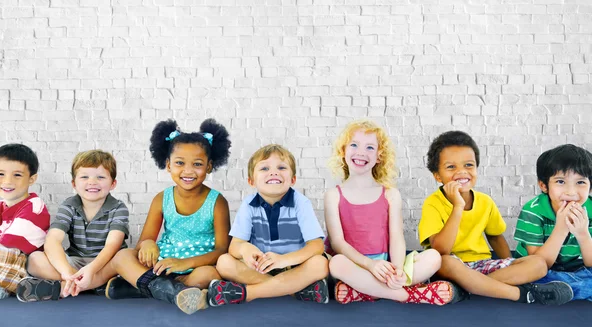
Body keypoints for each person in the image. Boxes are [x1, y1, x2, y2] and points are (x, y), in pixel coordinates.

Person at [419, 130, 573, 305]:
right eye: (451, 167)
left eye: (468, 165)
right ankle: (519, 294)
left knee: (538, 264)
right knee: (445, 261)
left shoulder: (485, 201)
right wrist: (458, 207)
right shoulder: (432, 203)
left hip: (481, 265)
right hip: (450, 267)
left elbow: (495, 237)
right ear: (437, 175)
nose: (462, 172)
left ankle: (471, 287)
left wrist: (511, 264)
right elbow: (441, 250)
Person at [325, 120, 461, 305]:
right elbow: (337, 243)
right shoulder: (334, 195)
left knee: (433, 257)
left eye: (370, 147)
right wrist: (370, 265)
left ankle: (365, 292)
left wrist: (397, 270)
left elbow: (396, 237)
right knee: (336, 263)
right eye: (354, 145)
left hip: (385, 265)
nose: (361, 152)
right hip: (354, 264)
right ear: (343, 151)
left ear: (379, 156)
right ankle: (409, 295)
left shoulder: (390, 194)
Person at [104, 119, 231, 315]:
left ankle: (144, 287)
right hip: (163, 264)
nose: (188, 171)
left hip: (197, 265)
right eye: (180, 163)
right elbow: (143, 242)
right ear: (168, 165)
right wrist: (148, 244)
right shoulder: (162, 198)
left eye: (197, 164)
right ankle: (173, 292)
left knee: (209, 275)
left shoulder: (217, 202)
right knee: (123, 256)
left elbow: (222, 249)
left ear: (209, 166)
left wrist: (185, 263)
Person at [208, 144, 329, 306]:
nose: (274, 172)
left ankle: (248, 293)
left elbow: (317, 246)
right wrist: (245, 249)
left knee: (320, 264)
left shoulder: (301, 203)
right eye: (264, 168)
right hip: (261, 268)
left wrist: (284, 260)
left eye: (281, 167)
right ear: (251, 181)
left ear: (293, 179)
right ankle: (296, 290)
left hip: (294, 265)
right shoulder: (248, 204)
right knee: (224, 262)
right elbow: (234, 246)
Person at [17, 150, 129, 302]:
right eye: (84, 177)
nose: (92, 182)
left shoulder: (118, 208)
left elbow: (112, 245)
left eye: (100, 177)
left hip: (105, 263)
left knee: (126, 258)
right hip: (76, 262)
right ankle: (89, 285)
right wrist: (67, 272)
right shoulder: (69, 205)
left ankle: (64, 288)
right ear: (74, 184)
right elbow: (52, 240)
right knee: (35, 259)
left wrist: (91, 269)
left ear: (113, 183)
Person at [514, 144, 592, 301]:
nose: (571, 192)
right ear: (544, 186)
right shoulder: (533, 211)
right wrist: (561, 229)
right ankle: (562, 289)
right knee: (529, 275)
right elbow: (539, 263)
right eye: (561, 182)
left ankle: (560, 289)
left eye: (580, 182)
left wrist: (583, 234)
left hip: (576, 268)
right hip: (539, 269)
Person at [0, 144, 50, 299]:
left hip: (19, 268)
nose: (8, 181)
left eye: (17, 175)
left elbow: (7, 246)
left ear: (31, 179)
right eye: (0, 174)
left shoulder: (34, 207)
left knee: (4, 252)